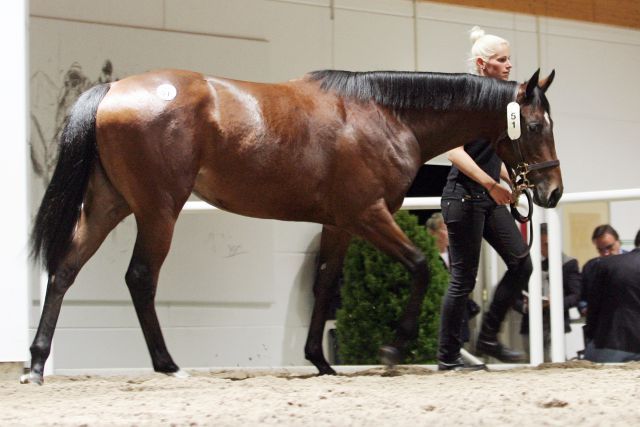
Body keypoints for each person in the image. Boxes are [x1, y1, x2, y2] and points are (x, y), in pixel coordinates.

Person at [437, 26, 531, 371]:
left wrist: (514, 181)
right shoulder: (464, 99)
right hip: (462, 197)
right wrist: (493, 185)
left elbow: (489, 154)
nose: (508, 66)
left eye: (509, 60)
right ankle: (447, 358)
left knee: (522, 263)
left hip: (485, 198)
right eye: (501, 60)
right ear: (482, 64)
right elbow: (453, 151)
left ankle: (488, 337)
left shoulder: (499, 102)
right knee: (463, 279)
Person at [513, 223, 581, 361]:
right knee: (532, 362)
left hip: (556, 324)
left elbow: (576, 295)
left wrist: (554, 302)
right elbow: (513, 296)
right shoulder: (528, 264)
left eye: (547, 244)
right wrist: (526, 307)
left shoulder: (568, 264)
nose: (544, 248)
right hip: (530, 326)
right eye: (541, 244)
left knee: (556, 362)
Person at [583, 229, 640, 362]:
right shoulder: (598, 265)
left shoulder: (606, 265)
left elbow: (594, 306)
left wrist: (590, 337)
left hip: (611, 342)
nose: (606, 252)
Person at [426, 213, 480, 344]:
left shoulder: (457, 255)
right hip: (438, 316)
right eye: (445, 229)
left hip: (461, 316)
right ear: (432, 233)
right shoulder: (427, 257)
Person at [578, 224, 625, 316]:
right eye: (600, 250)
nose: (606, 253)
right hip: (601, 324)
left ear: (618, 242)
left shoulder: (635, 263)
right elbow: (582, 297)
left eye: (609, 247)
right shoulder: (590, 267)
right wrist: (584, 309)